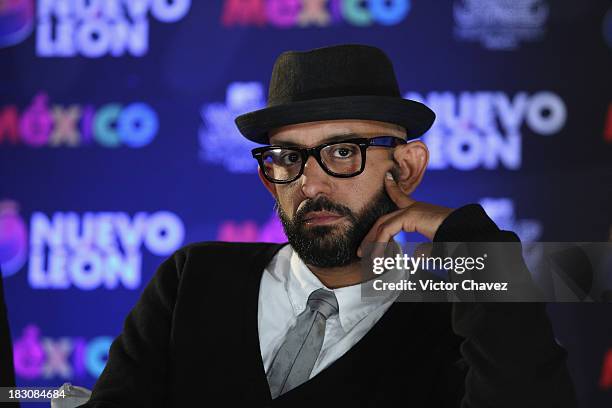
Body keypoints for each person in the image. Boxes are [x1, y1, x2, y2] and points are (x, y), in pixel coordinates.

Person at [80, 44, 576, 407]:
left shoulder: (457, 314)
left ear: (406, 168)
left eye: (343, 152)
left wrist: (473, 242)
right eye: (288, 157)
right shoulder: (194, 278)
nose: (311, 184)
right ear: (268, 178)